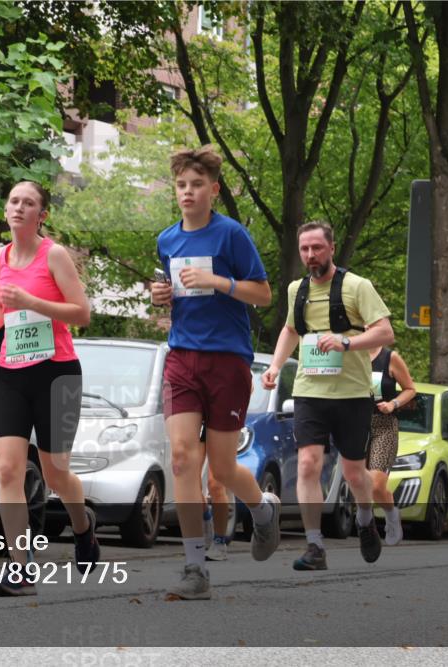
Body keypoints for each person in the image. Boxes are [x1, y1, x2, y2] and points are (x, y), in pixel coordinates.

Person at [150, 146, 280, 601]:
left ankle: (263, 511)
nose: (188, 192)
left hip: (227, 360)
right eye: (182, 185)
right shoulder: (167, 240)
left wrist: (220, 283)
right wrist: (161, 294)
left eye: (197, 185)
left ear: (214, 190)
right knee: (183, 458)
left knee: (222, 468)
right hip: (182, 357)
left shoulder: (231, 236)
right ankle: (194, 567)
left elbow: (263, 294)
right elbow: (172, 293)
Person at [0, 181, 97, 596]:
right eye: (13, 201)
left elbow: (82, 314)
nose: (19, 208)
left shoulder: (54, 255)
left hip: (56, 373)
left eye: (28, 203)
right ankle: (20, 568)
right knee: (7, 468)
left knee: (56, 473)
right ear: (5, 210)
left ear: (41, 214)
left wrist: (32, 301)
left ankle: (83, 527)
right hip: (11, 372)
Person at [261, 221, 395, 571]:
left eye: (316, 248)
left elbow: (385, 331)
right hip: (309, 391)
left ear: (331, 248)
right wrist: (276, 366)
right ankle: (314, 545)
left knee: (353, 472)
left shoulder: (357, 286)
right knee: (308, 463)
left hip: (351, 393)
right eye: (305, 249)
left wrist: (346, 341)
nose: (310, 255)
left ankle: (366, 519)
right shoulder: (296, 290)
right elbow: (291, 329)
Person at [367, 346, 417, 546]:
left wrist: (393, 404)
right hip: (355, 424)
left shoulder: (390, 357)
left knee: (376, 484)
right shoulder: (351, 354)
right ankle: (365, 526)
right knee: (358, 484)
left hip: (383, 426)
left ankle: (391, 515)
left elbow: (410, 389)